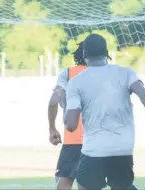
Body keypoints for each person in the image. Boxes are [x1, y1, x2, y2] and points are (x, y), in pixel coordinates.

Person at [63, 34, 145, 190]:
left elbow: (71, 125)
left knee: (84, 186)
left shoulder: (76, 82)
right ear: (106, 52)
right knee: (122, 185)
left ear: (84, 54)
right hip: (123, 148)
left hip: (94, 151)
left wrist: (65, 106)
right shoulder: (125, 73)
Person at [48, 42, 87, 190]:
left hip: (74, 139)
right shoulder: (105, 74)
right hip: (99, 140)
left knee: (62, 183)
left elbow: (53, 100)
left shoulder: (69, 73)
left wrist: (52, 128)